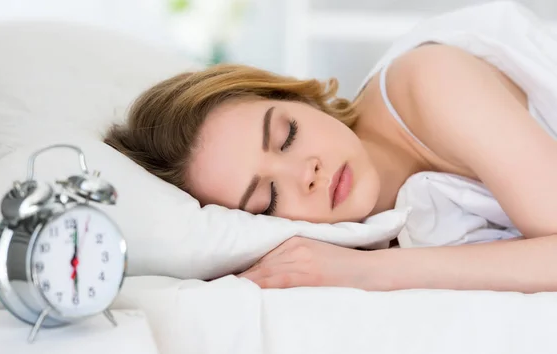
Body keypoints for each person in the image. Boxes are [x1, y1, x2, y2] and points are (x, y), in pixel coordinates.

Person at [104, 39, 557, 293]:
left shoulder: (430, 82)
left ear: (297, 98)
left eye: (288, 136)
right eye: (269, 198)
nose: (307, 172)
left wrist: (367, 274)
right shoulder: (378, 230)